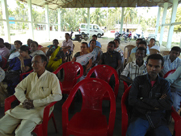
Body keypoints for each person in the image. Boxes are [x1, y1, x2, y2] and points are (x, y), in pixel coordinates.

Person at [0, 54, 62, 136]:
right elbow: (19, 88)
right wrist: (24, 100)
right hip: (25, 106)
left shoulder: (52, 77)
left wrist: (35, 102)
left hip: (40, 109)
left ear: (44, 63)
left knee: (21, 133)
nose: (33, 65)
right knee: (1, 127)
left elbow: (58, 95)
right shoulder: (31, 76)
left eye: (36, 62)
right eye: (32, 62)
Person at [127, 54, 172, 136]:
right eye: (150, 65)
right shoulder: (138, 80)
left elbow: (168, 104)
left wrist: (143, 100)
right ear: (146, 65)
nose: (153, 69)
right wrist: (157, 103)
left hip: (158, 119)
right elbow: (131, 100)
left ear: (161, 67)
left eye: (157, 66)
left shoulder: (164, 83)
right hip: (140, 117)